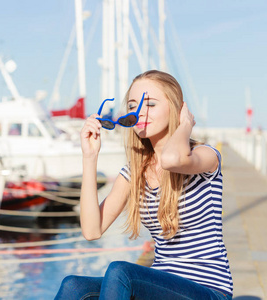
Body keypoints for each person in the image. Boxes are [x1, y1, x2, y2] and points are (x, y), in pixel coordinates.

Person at [54, 70, 233, 300]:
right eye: (132, 105)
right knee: (74, 286)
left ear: (176, 109)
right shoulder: (134, 171)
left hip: (209, 291)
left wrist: (185, 124)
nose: (139, 112)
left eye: (150, 104)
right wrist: (89, 157)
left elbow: (171, 160)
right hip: (159, 286)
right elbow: (91, 230)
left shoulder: (204, 156)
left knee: (121, 273)